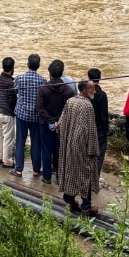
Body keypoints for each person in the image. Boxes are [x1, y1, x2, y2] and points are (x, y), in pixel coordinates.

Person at [56, 80, 100, 216]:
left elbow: (61, 124)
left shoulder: (70, 101)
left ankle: (69, 200)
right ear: (85, 90)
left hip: (68, 145)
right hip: (82, 148)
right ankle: (86, 207)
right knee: (85, 176)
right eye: (92, 89)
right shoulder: (88, 106)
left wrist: (65, 140)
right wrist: (93, 150)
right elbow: (91, 131)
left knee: (69, 173)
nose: (95, 91)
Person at [37, 60, 74, 184]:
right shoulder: (69, 91)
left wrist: (50, 120)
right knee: (60, 150)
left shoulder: (43, 89)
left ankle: (47, 177)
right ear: (62, 73)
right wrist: (58, 120)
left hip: (45, 124)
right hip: (61, 125)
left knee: (46, 150)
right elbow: (68, 110)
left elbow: (40, 108)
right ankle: (59, 177)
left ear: (50, 74)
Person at [12, 54, 47, 178]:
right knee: (36, 143)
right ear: (38, 66)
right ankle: (36, 169)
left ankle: (19, 169)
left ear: (28, 65)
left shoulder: (19, 78)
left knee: (20, 141)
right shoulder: (43, 81)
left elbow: (15, 92)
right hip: (36, 116)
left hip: (22, 115)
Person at [0, 57, 17, 168]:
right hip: (7, 114)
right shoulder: (11, 83)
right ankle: (7, 160)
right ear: (12, 68)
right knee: (9, 137)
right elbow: (12, 100)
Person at [88, 68, 110, 173]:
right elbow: (104, 115)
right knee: (99, 155)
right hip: (100, 130)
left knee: (87, 154)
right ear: (100, 78)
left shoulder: (86, 94)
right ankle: (94, 179)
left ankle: (86, 177)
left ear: (88, 78)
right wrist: (106, 130)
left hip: (87, 128)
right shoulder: (102, 95)